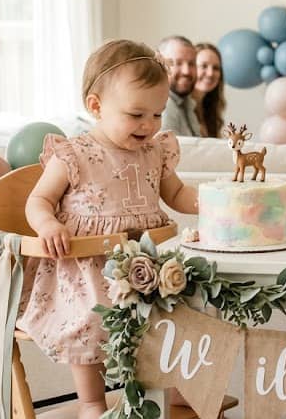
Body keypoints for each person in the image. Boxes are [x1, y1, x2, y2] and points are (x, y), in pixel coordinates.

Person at [21, 39, 198, 418]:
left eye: (158, 114)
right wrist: (48, 224)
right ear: (96, 106)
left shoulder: (155, 151)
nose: (149, 125)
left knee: (174, 315)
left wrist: (212, 202)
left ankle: (177, 391)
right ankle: (92, 401)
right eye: (136, 114)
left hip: (147, 266)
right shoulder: (73, 154)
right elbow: (38, 200)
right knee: (89, 322)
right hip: (86, 272)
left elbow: (176, 193)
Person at [157, 35, 201, 136]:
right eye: (178, 63)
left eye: (191, 64)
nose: (186, 71)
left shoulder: (187, 103)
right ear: (160, 64)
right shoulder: (161, 107)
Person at [192, 42, 226, 138]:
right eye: (204, 66)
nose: (210, 73)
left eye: (216, 68)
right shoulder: (178, 108)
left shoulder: (210, 108)